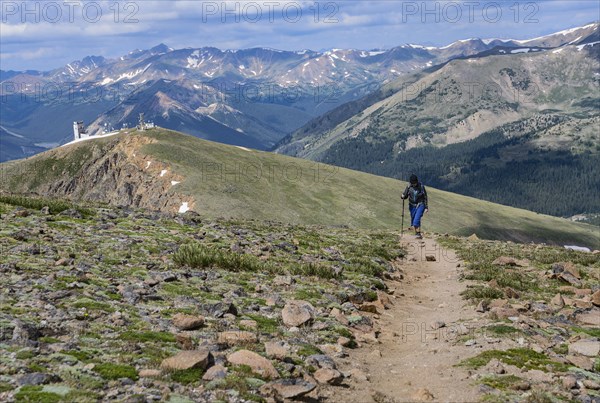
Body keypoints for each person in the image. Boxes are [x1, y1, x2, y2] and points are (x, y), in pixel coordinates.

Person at [401, 174, 428, 239]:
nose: (414, 184)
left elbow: (425, 197)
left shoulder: (421, 186)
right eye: (413, 183)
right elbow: (405, 195)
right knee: (413, 220)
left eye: (415, 183)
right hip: (412, 205)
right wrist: (402, 196)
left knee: (416, 219)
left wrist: (426, 207)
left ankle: (418, 234)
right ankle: (417, 233)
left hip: (420, 204)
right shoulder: (409, 186)